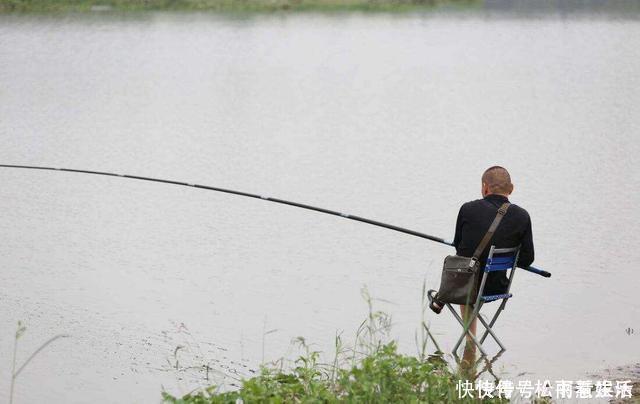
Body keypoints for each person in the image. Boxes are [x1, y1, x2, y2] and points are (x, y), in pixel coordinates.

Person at [429, 166, 535, 340]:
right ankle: (470, 354)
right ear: (511, 188)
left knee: (466, 272)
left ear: (485, 187)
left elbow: (459, 247)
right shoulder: (523, 216)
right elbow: (526, 260)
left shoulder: (467, 209)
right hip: (498, 287)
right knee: (471, 276)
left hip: (466, 287)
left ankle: (470, 340)